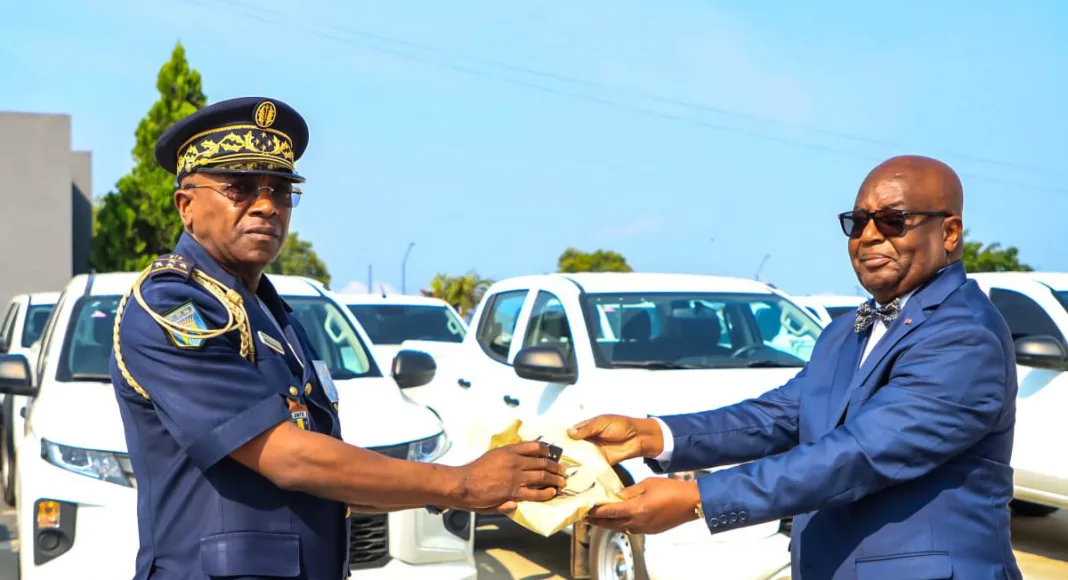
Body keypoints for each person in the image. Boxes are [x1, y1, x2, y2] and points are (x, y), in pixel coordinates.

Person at [110, 96, 565, 580]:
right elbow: (288, 457)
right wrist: (459, 484)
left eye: (281, 190)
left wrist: (461, 489)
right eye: (239, 188)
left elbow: (327, 478)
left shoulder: (271, 312)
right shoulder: (170, 307)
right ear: (187, 206)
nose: (266, 205)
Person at [570, 155, 1022, 579]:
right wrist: (651, 434)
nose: (868, 236)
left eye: (892, 221)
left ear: (949, 233)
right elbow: (782, 414)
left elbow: (861, 454)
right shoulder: (846, 330)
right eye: (857, 222)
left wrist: (698, 500)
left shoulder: (964, 334)